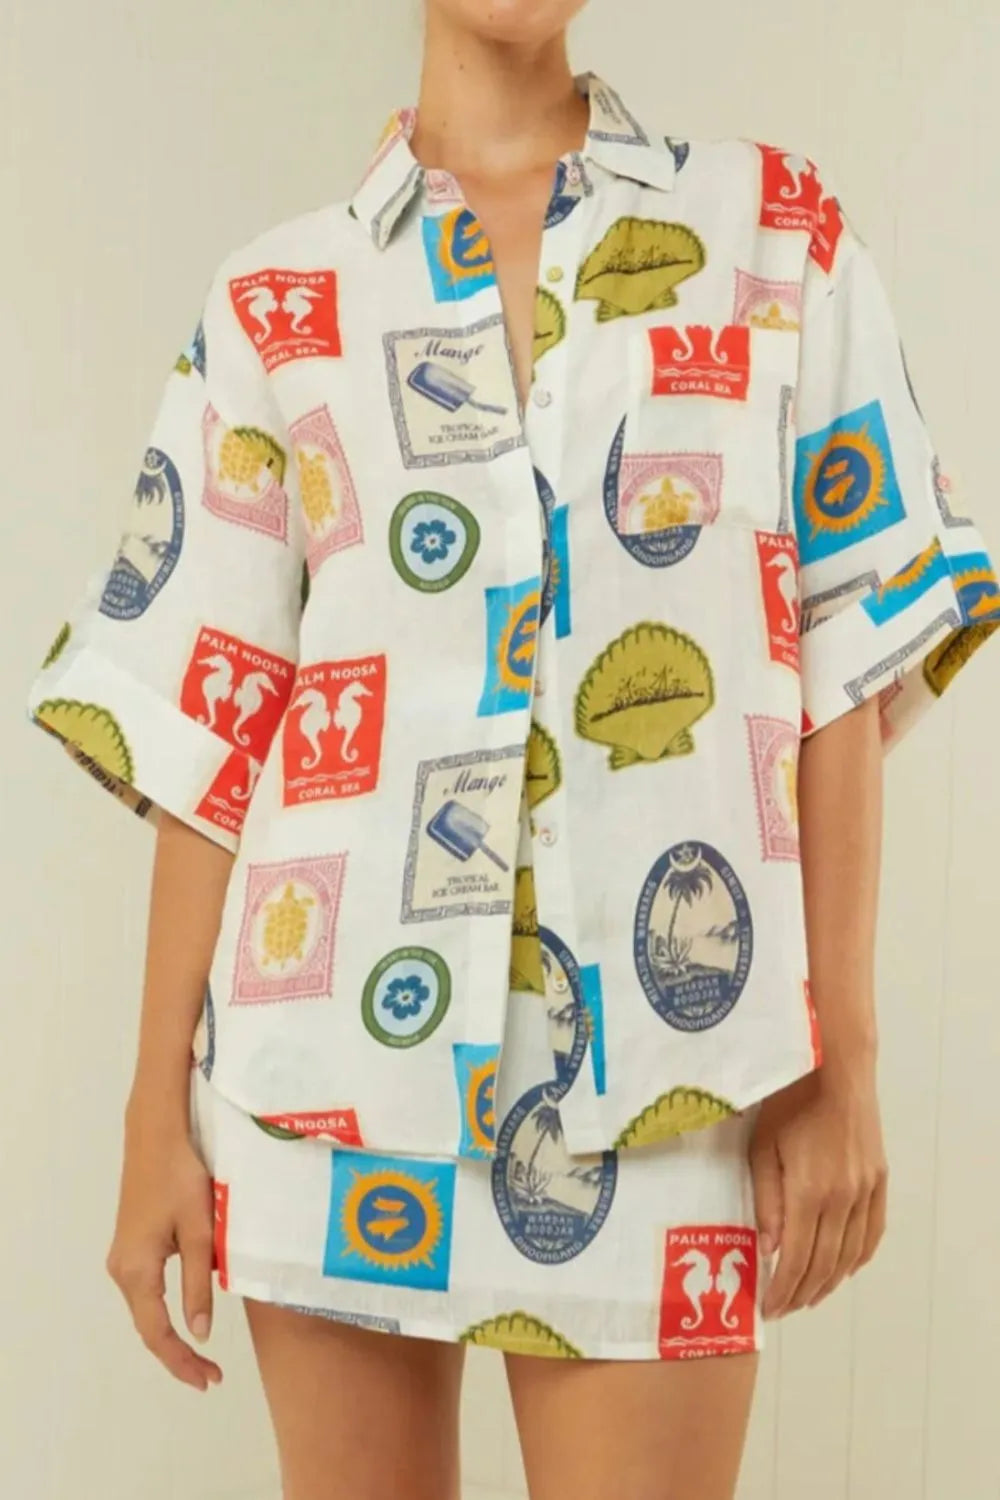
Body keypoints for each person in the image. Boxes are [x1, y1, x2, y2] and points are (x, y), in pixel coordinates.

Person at [25, 2, 1000, 1498]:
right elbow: (210, 726)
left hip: (674, 1086)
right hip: (326, 1080)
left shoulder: (772, 235)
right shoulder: (279, 300)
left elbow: (846, 649)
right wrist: (154, 1109)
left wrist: (843, 1061)